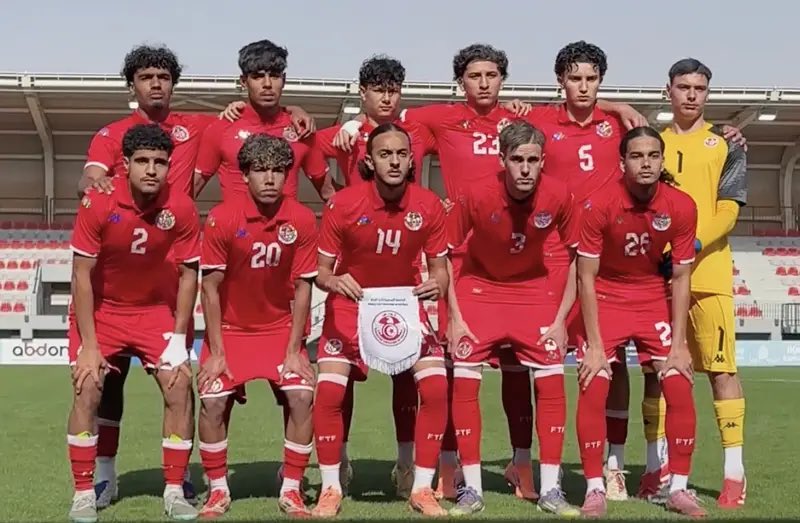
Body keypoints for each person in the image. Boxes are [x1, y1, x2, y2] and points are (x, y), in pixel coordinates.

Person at [334, 43, 648, 501]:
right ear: (460, 81)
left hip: (533, 262)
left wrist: (616, 106)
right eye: (474, 75)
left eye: (492, 75)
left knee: (525, 369)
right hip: (464, 261)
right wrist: (352, 124)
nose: (483, 83)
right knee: (449, 366)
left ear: (503, 79)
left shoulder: (526, 118)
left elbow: (578, 103)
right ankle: (447, 468)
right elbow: (388, 126)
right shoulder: (439, 118)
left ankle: (524, 465)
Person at [77, 44, 313, 508]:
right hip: (119, 278)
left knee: (179, 385)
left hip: (171, 278)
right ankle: (104, 475)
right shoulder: (111, 134)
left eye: (164, 77)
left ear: (174, 83)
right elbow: (88, 178)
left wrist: (296, 112)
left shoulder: (203, 126)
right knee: (107, 383)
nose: (156, 84)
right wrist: (96, 183)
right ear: (132, 84)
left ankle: (180, 478)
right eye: (146, 77)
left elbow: (256, 121)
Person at [312, 123, 450, 517]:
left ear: (411, 160)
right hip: (351, 306)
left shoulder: (428, 205)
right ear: (370, 161)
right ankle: (331, 486)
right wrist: (335, 281)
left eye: (401, 154)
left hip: (404, 306)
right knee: (330, 392)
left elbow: (441, 271)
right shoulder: (343, 204)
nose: (394, 161)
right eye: (385, 154)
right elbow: (320, 272)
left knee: (436, 387)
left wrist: (437, 284)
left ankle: (420, 486)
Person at [66, 124, 201, 522]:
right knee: (88, 385)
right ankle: (86, 490)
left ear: (169, 165)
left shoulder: (182, 207)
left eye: (160, 162)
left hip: (154, 312)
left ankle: (174, 489)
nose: (151, 170)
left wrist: (179, 338)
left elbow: (189, 275)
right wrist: (90, 346)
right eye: (142, 161)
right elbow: (81, 275)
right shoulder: (98, 201)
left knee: (179, 386)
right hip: (103, 312)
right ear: (125, 164)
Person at [446, 121, 580, 517]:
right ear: (502, 159)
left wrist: (561, 319)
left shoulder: (559, 195)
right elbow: (443, 254)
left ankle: (551, 488)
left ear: (543, 161)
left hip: (532, 292)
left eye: (533, 160)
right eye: (517, 159)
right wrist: (454, 318)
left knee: (552, 379)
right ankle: (471, 489)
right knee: (465, 379)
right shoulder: (475, 194)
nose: (525, 168)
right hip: (479, 289)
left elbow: (578, 257)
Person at [575, 126, 704, 518]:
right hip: (606, 297)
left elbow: (681, 276)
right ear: (622, 163)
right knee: (594, 382)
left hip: (651, 298)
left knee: (678, 382)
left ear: (662, 161)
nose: (645, 163)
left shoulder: (682, 206)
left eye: (652, 155)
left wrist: (679, 344)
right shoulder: (598, 204)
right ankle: (595, 488)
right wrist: (595, 347)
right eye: (636, 156)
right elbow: (585, 277)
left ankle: (678, 488)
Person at [195, 134, 317, 518]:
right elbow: (209, 289)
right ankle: (218, 489)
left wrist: (294, 350)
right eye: (261, 170)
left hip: (279, 328)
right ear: (244, 175)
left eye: (278, 170)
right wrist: (216, 352)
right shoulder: (222, 218)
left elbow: (303, 289)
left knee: (301, 396)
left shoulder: (301, 218)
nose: (270, 178)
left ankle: (292, 488)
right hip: (230, 331)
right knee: (212, 401)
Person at [660, 58, 748, 508]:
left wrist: (691, 243)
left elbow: (729, 209)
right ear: (669, 91)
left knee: (721, 372)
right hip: (660, 275)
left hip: (709, 275)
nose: (691, 94)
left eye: (699, 88)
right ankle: (661, 469)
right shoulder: (650, 143)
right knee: (663, 371)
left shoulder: (727, 143)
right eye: (683, 87)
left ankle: (734, 473)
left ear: (707, 94)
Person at [194, 39, 329, 201]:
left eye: (274, 76)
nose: (267, 84)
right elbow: (190, 192)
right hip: (236, 218)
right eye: (257, 76)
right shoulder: (221, 128)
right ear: (244, 81)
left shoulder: (301, 129)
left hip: (287, 218)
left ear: (284, 80)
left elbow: (329, 193)